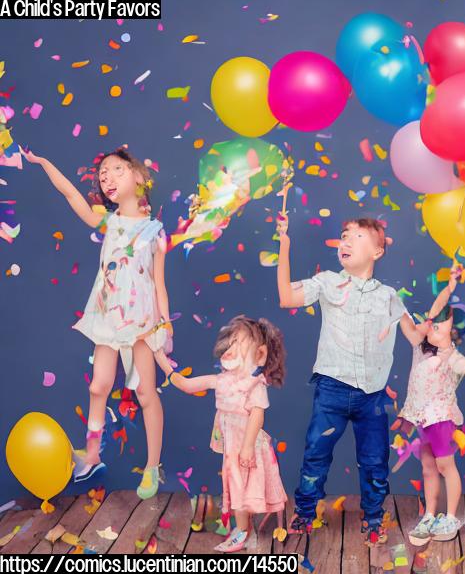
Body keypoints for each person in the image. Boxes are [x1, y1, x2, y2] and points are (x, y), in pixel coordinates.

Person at [22, 147, 171, 499]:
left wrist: (165, 324)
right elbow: (70, 193)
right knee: (97, 387)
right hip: (107, 315)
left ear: (138, 177)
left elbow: (159, 283)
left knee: (146, 393)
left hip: (140, 321)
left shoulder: (155, 231)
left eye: (116, 170)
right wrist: (44, 161)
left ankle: (152, 467)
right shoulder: (107, 220)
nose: (107, 179)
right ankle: (91, 454)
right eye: (103, 176)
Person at [276, 212, 409, 545]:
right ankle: (304, 513)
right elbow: (286, 298)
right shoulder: (327, 283)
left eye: (358, 236)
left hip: (373, 395)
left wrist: (448, 293)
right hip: (332, 389)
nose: (346, 241)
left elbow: (416, 334)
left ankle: (374, 518)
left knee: (375, 461)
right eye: (344, 235)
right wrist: (284, 248)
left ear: (378, 251)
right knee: (315, 456)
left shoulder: (390, 296)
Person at [397, 265, 465, 546]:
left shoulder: (453, 358)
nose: (432, 326)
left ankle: (449, 516)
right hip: (422, 419)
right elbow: (432, 312)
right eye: (432, 324)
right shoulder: (419, 345)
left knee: (446, 465)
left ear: (453, 334)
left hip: (442, 419)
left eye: (439, 326)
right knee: (427, 468)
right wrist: (449, 287)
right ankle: (430, 516)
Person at [155, 316, 288, 552]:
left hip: (249, 445)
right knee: (236, 485)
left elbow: (257, 416)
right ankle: (244, 528)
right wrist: (161, 360)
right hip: (232, 447)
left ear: (259, 355)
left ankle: (243, 530)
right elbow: (187, 385)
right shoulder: (221, 381)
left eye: (240, 343)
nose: (231, 348)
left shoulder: (254, 384)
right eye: (230, 341)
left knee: (243, 486)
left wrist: (247, 447)